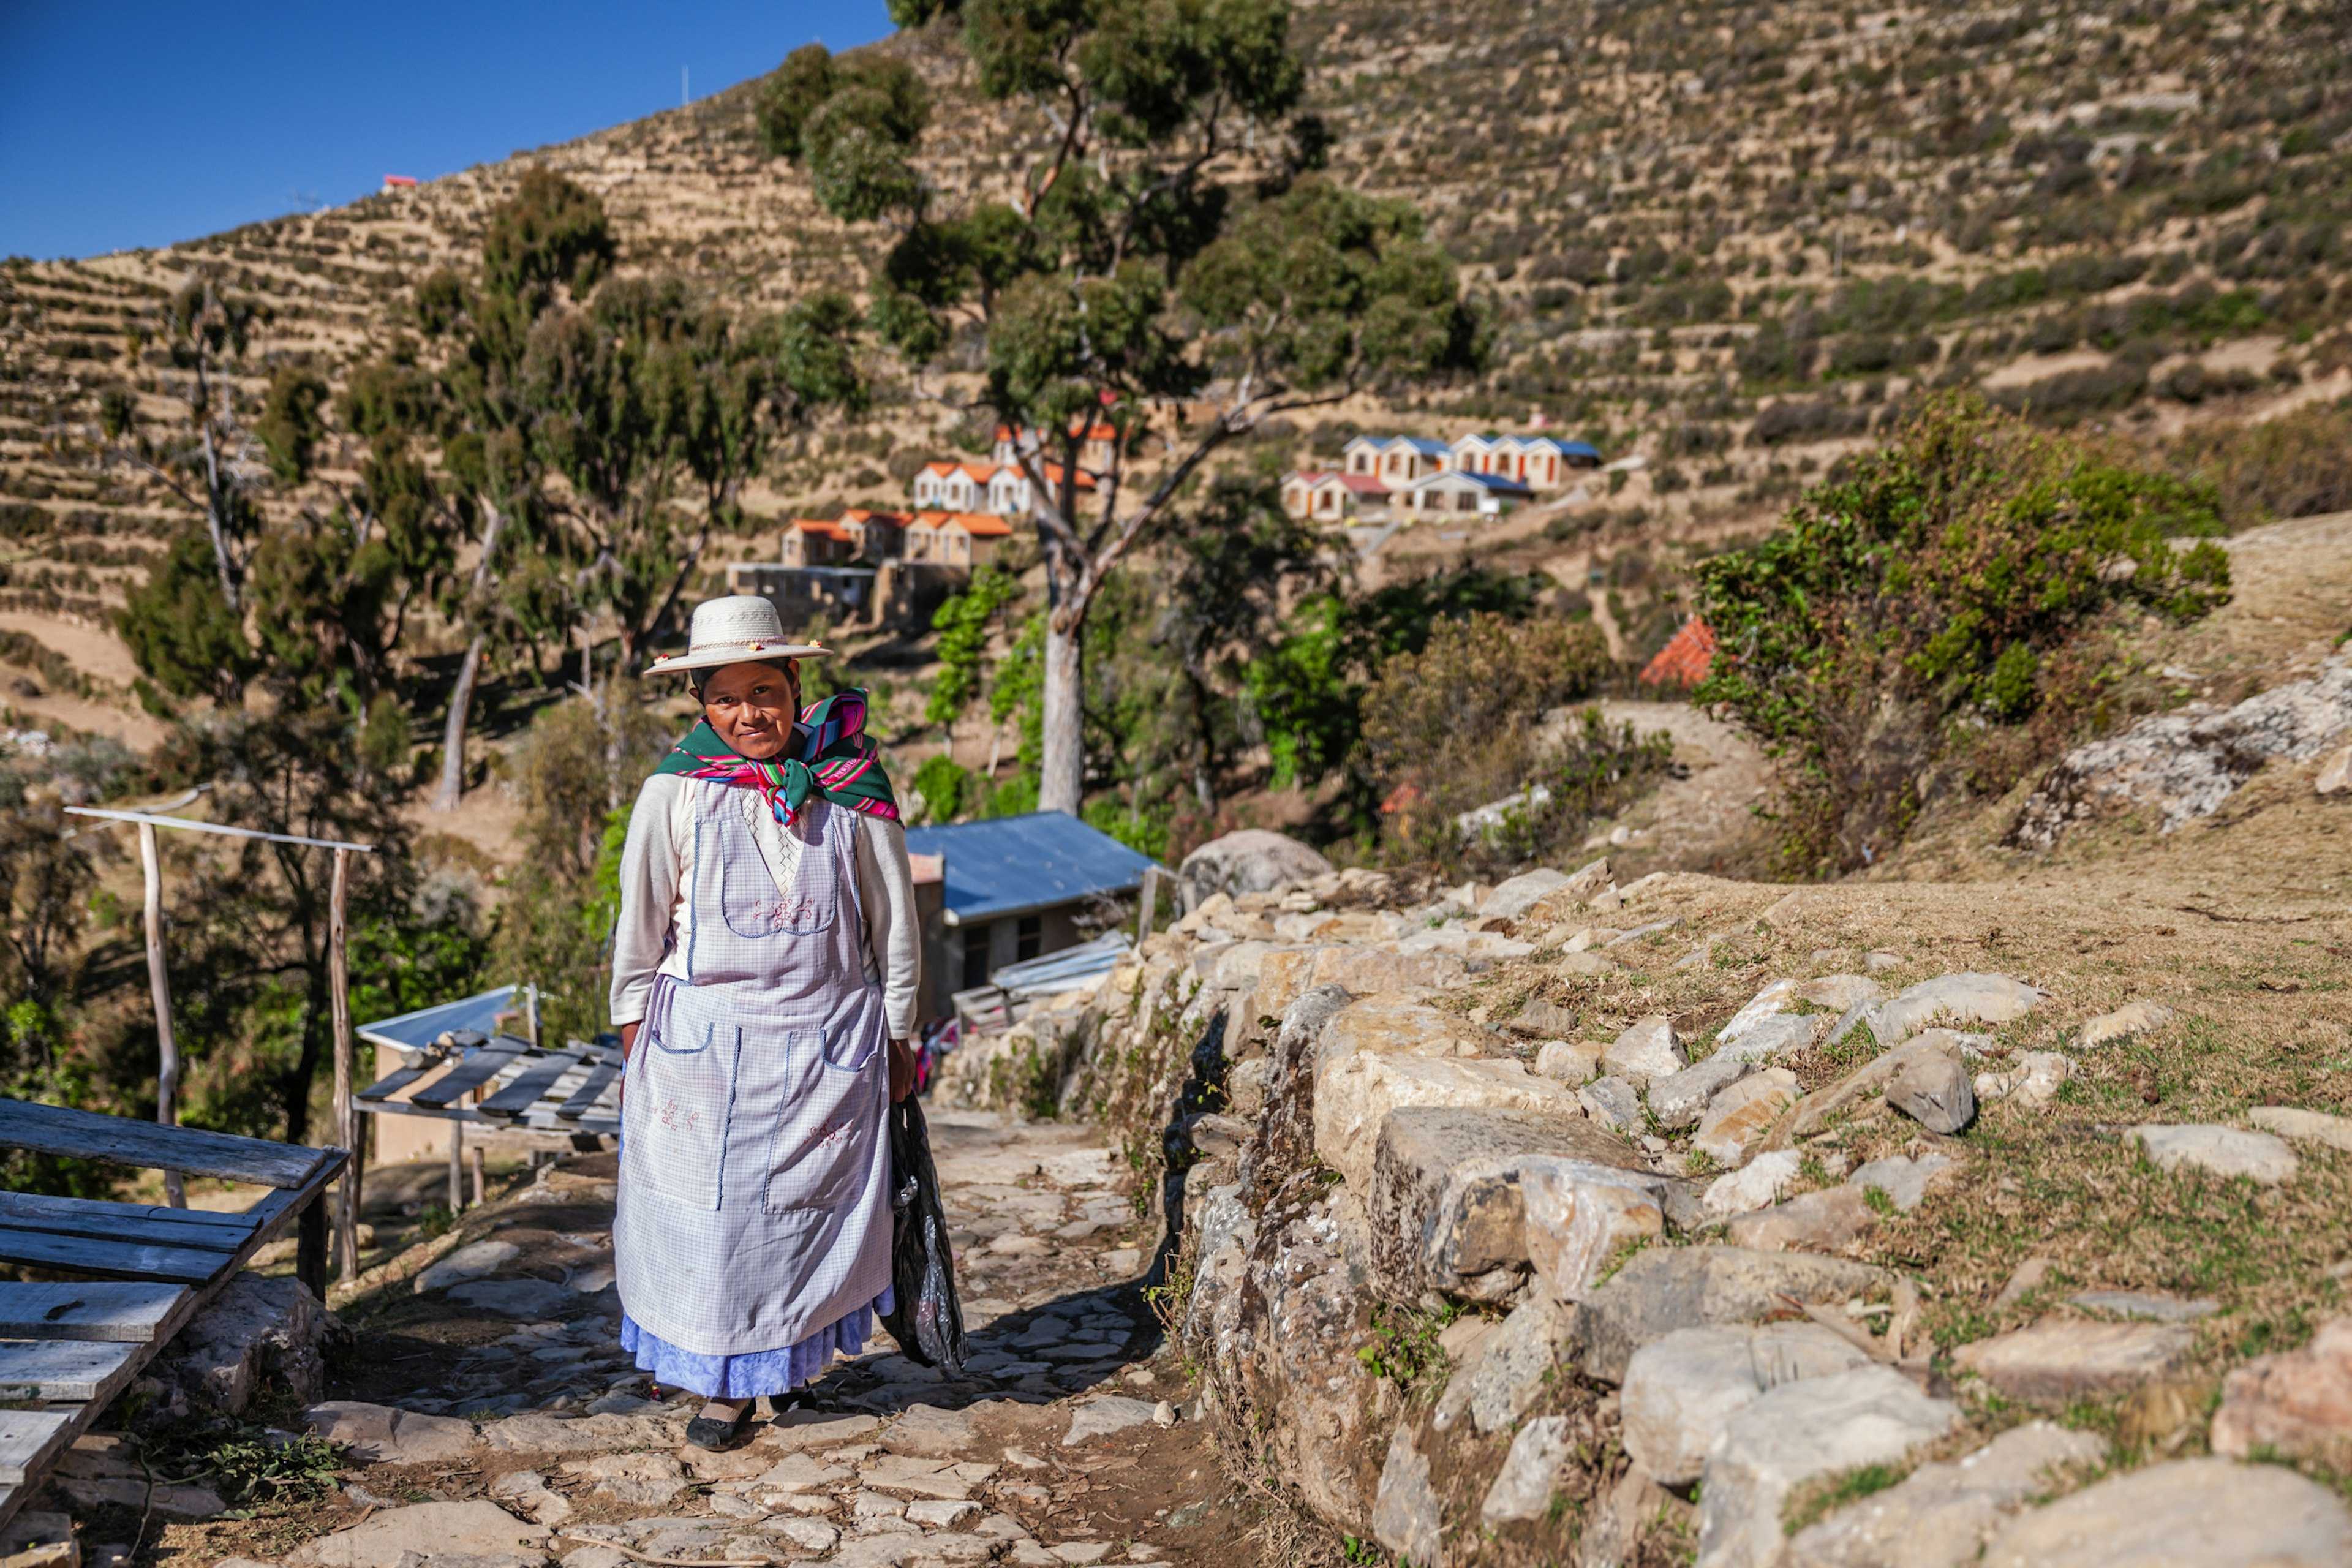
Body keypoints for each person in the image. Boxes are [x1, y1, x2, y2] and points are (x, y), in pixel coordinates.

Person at [608, 595, 920, 1450]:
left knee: (801, 1222)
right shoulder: (672, 794)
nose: (751, 714)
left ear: (795, 684)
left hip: (827, 1048)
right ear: (702, 706)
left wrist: (901, 1038)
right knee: (714, 1226)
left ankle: (781, 1370)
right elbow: (639, 926)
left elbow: (893, 927)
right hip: (700, 1055)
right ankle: (722, 1386)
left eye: (767, 692)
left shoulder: (854, 790)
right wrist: (633, 1035)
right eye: (727, 699)